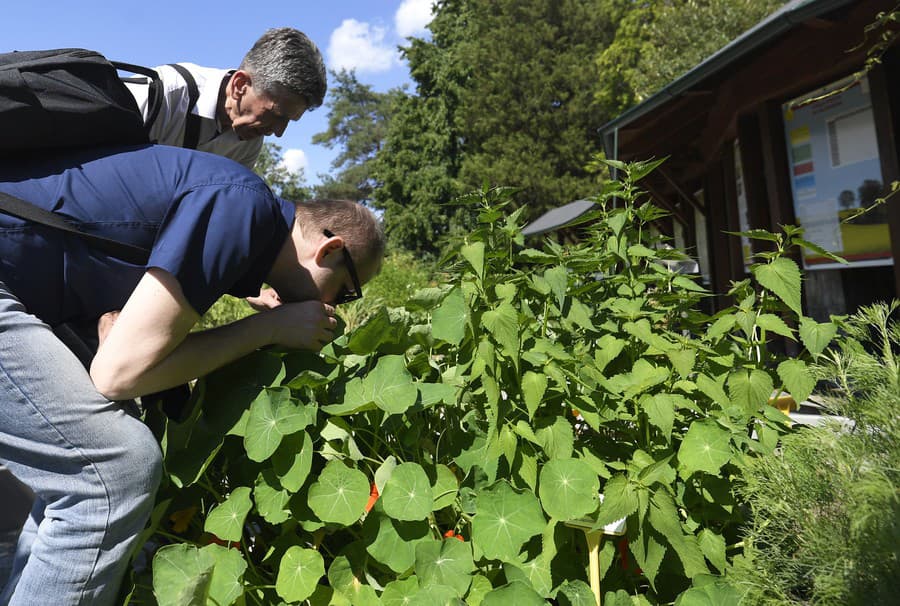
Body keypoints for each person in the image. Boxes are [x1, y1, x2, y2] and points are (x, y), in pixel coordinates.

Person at [0, 143, 384, 605]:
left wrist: (265, 316)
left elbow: (127, 339)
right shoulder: (240, 207)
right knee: (114, 469)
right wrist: (266, 328)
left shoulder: (244, 214)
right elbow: (118, 374)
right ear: (330, 250)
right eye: (346, 294)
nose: (333, 309)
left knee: (80, 459)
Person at [124, 27, 327, 168]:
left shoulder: (249, 142)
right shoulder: (165, 93)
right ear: (239, 85)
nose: (279, 132)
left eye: (289, 121)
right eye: (277, 114)